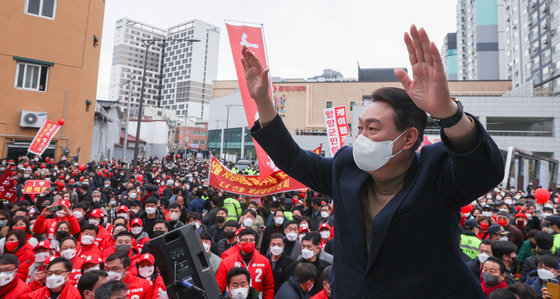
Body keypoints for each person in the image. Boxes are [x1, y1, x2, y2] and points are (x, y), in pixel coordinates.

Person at [242, 24, 504, 297]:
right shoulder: (346, 168)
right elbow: (293, 159)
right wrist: (263, 101)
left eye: (373, 128)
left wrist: (448, 113)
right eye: (360, 127)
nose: (362, 137)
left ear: (408, 138)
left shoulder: (436, 171)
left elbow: (484, 170)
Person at [216, 228, 274, 298]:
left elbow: (269, 288)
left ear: (255, 243)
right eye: (245, 240)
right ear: (239, 243)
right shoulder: (227, 262)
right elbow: (219, 288)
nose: (249, 242)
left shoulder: (264, 261)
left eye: (251, 240)